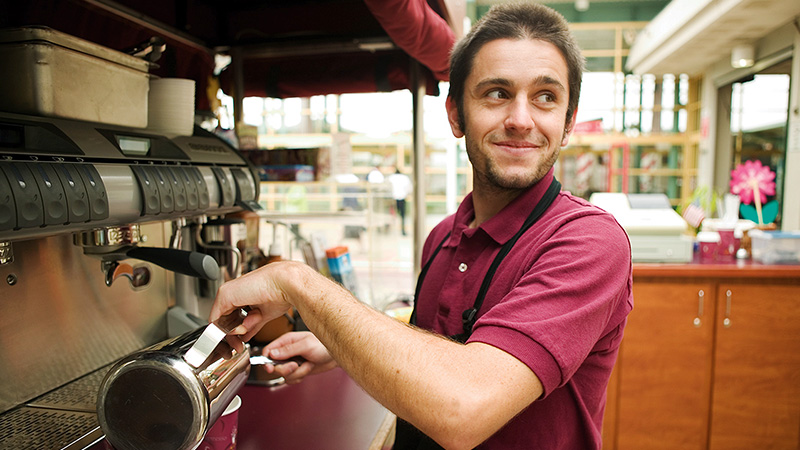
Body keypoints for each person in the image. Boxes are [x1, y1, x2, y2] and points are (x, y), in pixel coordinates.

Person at [209, 3, 632, 449]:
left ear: (566, 123)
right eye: (496, 93)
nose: (521, 120)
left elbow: (462, 408)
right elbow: (442, 343)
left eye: (546, 96)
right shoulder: (444, 236)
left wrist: (295, 282)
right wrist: (339, 348)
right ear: (455, 115)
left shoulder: (588, 242)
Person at [387, 167, 413, 235]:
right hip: (402, 198)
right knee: (402, 216)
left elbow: (387, 188)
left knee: (391, 215)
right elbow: (410, 188)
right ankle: (402, 230)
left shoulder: (391, 178)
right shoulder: (404, 178)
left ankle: (388, 230)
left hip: (393, 199)